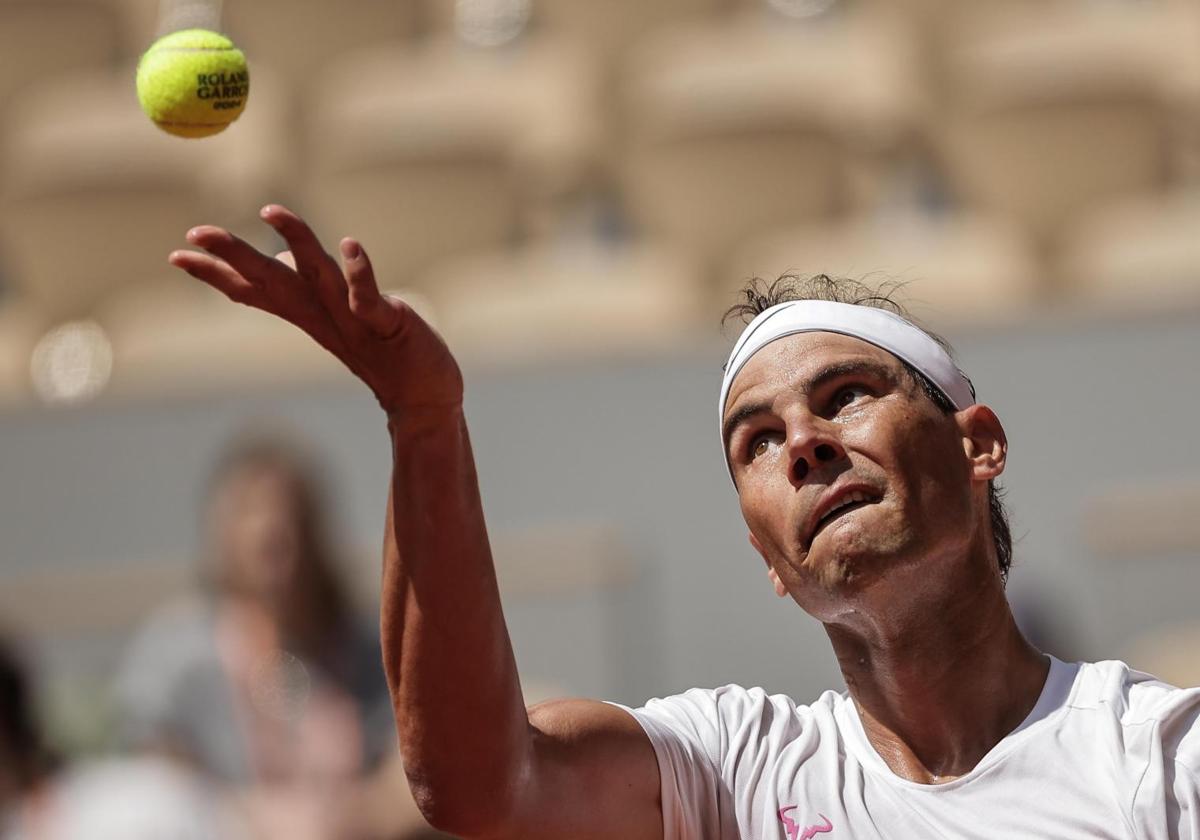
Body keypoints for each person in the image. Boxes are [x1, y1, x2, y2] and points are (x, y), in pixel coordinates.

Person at [169, 205, 1200, 839]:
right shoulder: (732, 768)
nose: (802, 442)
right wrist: (422, 422)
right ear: (767, 557)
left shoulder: (1154, 757)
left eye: (844, 394)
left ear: (977, 446)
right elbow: (478, 789)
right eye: (756, 439)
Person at [114, 433, 421, 839]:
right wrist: (246, 818)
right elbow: (153, 776)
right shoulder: (176, 653)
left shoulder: (366, 647)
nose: (271, 529)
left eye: (288, 512)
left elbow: (408, 763)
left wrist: (362, 813)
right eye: (250, 512)